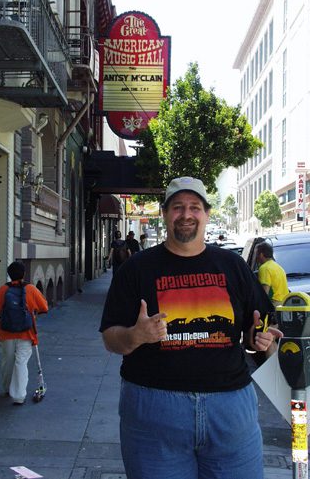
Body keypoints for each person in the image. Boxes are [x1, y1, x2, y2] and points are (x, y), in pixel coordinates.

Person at [100, 176, 282, 479]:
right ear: (165, 213)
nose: (186, 214)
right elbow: (110, 338)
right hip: (154, 410)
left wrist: (259, 340)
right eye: (178, 207)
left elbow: (259, 328)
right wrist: (135, 335)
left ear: (207, 214)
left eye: (195, 207)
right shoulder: (136, 269)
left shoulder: (233, 266)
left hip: (230, 411)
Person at [0, 261, 48, 405]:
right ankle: (19, 395)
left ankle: (7, 388)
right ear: (24, 274)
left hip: (6, 332)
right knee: (21, 362)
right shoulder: (31, 289)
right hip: (26, 333)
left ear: (9, 275)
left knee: (8, 361)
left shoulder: (3, 290)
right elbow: (44, 307)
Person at [256, 241, 289, 307]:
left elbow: (265, 292)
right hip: (285, 304)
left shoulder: (264, 268)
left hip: (274, 305)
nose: (256, 257)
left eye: (257, 254)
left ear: (261, 254)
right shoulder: (278, 267)